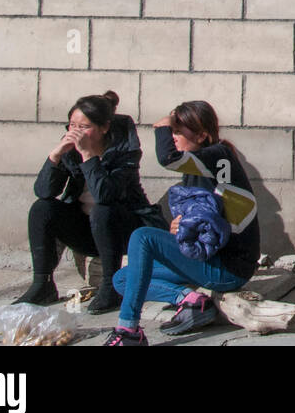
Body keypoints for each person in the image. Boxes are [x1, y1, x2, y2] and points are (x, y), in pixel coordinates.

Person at [104, 100, 261, 346]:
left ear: (202, 135)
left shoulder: (220, 157)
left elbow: (168, 157)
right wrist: (183, 225)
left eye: (178, 131)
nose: (173, 136)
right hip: (206, 259)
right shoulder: (196, 166)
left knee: (142, 236)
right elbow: (206, 216)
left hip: (228, 268)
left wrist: (163, 126)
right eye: (173, 131)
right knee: (122, 279)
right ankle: (190, 300)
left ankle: (128, 331)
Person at [16, 91, 161, 314]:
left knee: (102, 211)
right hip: (88, 232)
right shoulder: (69, 151)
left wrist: (87, 155)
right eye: (72, 125)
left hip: (123, 231)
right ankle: (42, 284)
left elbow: (105, 195)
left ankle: (110, 288)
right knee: (42, 208)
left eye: (84, 127)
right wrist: (55, 156)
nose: (76, 132)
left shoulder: (125, 152)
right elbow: (44, 191)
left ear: (104, 128)